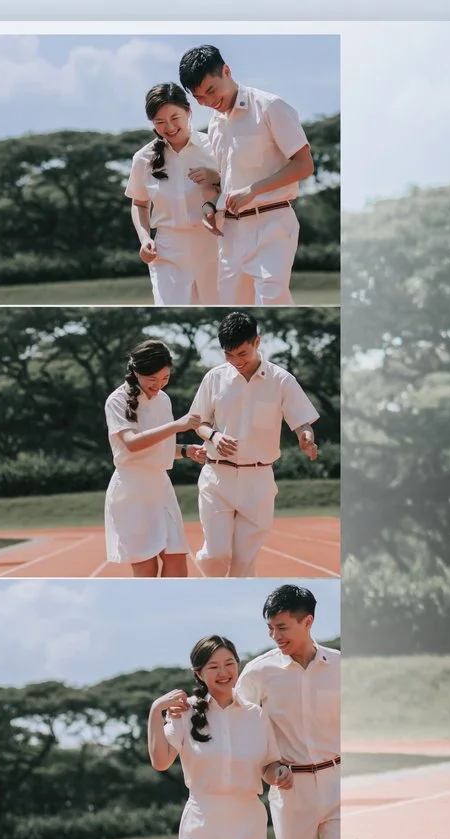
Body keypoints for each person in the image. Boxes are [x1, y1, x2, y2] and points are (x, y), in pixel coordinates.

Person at [182, 312, 319, 578]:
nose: (236, 361)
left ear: (257, 342)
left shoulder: (282, 380)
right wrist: (214, 436)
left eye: (242, 353)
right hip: (217, 477)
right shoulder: (214, 378)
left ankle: (233, 599)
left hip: (259, 481)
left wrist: (306, 437)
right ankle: (211, 587)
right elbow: (198, 422)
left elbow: (302, 422)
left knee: (244, 564)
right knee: (215, 555)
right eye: (228, 355)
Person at [178, 44, 313, 307]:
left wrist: (254, 189)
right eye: (199, 97)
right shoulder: (215, 124)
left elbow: (304, 165)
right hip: (229, 231)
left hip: (272, 223)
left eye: (211, 90)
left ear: (227, 71)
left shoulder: (270, 106)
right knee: (232, 308)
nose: (208, 101)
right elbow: (230, 180)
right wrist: (211, 205)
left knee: (272, 304)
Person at [148, 635, 288, 839]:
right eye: (213, 667)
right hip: (202, 825)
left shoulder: (256, 715)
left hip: (248, 824)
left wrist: (279, 773)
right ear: (198, 674)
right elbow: (161, 762)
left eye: (229, 664)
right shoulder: (184, 712)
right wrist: (155, 710)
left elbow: (269, 766)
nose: (223, 672)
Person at [236, 585, 342, 839]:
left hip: (339, 783)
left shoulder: (340, 666)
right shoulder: (258, 672)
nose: (275, 636)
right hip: (291, 789)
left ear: (308, 622)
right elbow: (237, 723)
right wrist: (267, 766)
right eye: (270, 628)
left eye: (282, 628)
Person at [106, 340, 205, 577]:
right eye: (153, 379)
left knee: (178, 563)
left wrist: (186, 450)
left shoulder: (163, 399)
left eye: (165, 378)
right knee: (146, 569)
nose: (159, 385)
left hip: (160, 487)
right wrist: (177, 426)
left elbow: (158, 445)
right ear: (137, 372)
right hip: (132, 491)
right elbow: (132, 443)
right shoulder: (117, 400)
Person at [125, 83, 222, 306]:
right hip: (168, 251)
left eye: (174, 117)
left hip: (215, 245)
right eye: (159, 122)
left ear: (188, 111)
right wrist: (145, 238)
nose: (169, 127)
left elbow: (236, 188)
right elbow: (139, 203)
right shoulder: (143, 158)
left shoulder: (214, 146)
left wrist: (216, 177)